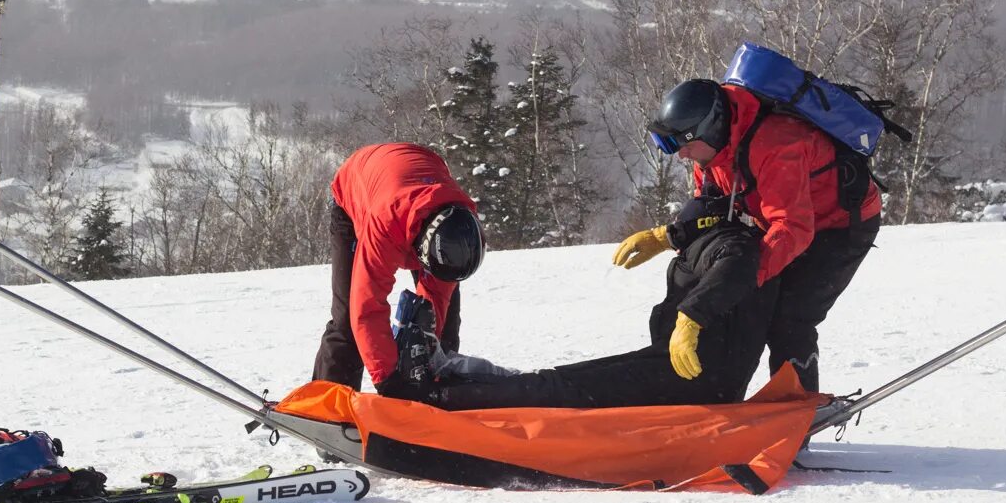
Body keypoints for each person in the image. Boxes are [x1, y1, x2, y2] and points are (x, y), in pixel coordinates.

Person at [382, 189, 779, 410]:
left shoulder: (731, 246)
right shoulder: (713, 244)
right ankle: (452, 374)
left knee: (562, 389)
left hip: (695, 380)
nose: (673, 236)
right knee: (558, 381)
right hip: (682, 370)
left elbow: (734, 270)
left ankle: (442, 396)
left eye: (681, 230)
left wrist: (692, 318)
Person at [619, 77, 880, 393]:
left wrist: (736, 280)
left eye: (684, 145)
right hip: (780, 220)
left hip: (839, 225)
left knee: (790, 320)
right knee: (744, 303)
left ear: (710, 129)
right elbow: (710, 204)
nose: (681, 155)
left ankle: (798, 415)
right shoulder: (712, 148)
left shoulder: (777, 146)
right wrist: (668, 237)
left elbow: (791, 229)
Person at [311, 143, 485, 393]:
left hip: (412, 178)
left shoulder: (459, 230)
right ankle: (328, 405)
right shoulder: (385, 225)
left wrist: (430, 361)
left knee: (445, 322)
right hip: (355, 193)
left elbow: (436, 299)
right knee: (348, 320)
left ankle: (442, 392)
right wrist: (388, 380)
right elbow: (367, 306)